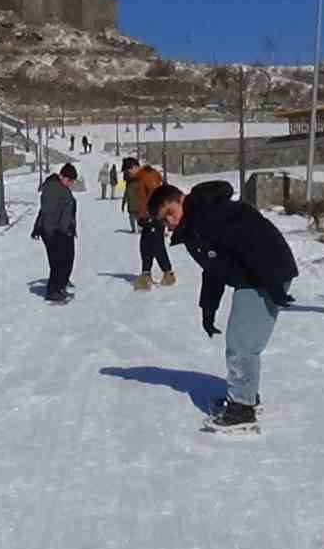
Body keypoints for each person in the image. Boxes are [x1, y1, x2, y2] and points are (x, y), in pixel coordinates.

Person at [149, 180, 298, 430]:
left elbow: (254, 242)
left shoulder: (213, 213)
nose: (170, 223)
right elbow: (214, 269)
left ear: (181, 199)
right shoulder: (195, 225)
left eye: (170, 214)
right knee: (243, 341)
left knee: (242, 343)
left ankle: (242, 409)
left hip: (265, 274)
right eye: (164, 221)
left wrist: (273, 283)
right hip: (253, 278)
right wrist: (208, 309)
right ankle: (244, 396)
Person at [121, 158, 175, 290]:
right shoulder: (134, 179)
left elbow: (158, 195)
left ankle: (167, 273)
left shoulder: (147, 176)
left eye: (128, 170)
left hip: (154, 217)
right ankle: (148, 274)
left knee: (156, 245)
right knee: (146, 245)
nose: (127, 173)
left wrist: (158, 214)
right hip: (145, 218)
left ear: (134, 167)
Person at [32, 163, 79, 303]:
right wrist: (53, 232)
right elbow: (48, 211)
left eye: (72, 181)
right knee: (58, 262)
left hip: (62, 230)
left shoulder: (61, 187)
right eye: (69, 180)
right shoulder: (53, 188)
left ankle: (60, 287)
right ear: (61, 176)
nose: (70, 184)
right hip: (55, 231)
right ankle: (53, 291)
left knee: (66, 259)